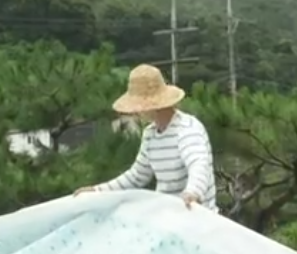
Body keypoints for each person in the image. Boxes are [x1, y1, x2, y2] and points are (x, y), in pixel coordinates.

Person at [76, 64, 217, 211]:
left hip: (197, 216)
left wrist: (193, 192)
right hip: (168, 214)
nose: (136, 112)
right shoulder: (150, 134)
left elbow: (198, 164)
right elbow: (137, 175)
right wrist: (97, 191)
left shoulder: (187, 129)